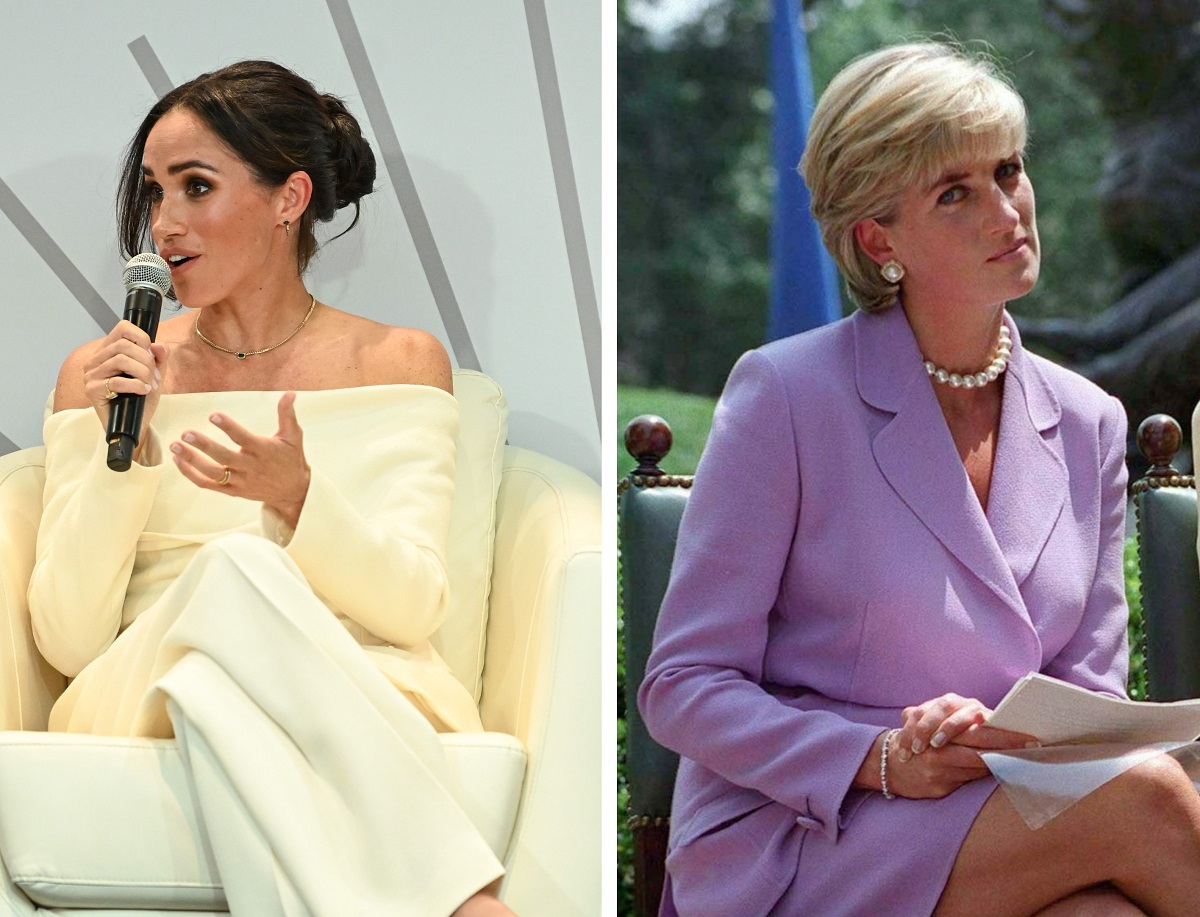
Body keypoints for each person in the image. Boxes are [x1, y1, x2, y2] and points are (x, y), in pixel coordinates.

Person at [638, 41, 1200, 917]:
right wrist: (880, 758)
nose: (1007, 210)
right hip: (804, 830)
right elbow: (683, 685)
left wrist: (1001, 741)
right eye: (954, 193)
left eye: (1008, 171)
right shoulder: (786, 394)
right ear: (878, 238)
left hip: (1012, 819)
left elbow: (1087, 701)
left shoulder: (1088, 418)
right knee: (1151, 798)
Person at [18, 60, 515, 917]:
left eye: (196, 186)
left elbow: (413, 607)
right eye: (155, 191)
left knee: (225, 681)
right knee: (236, 567)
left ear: (289, 199)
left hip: (356, 678)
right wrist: (126, 454)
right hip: (138, 686)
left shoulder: (399, 362)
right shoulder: (104, 373)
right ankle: (464, 898)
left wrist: (301, 500)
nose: (163, 224)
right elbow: (68, 637)